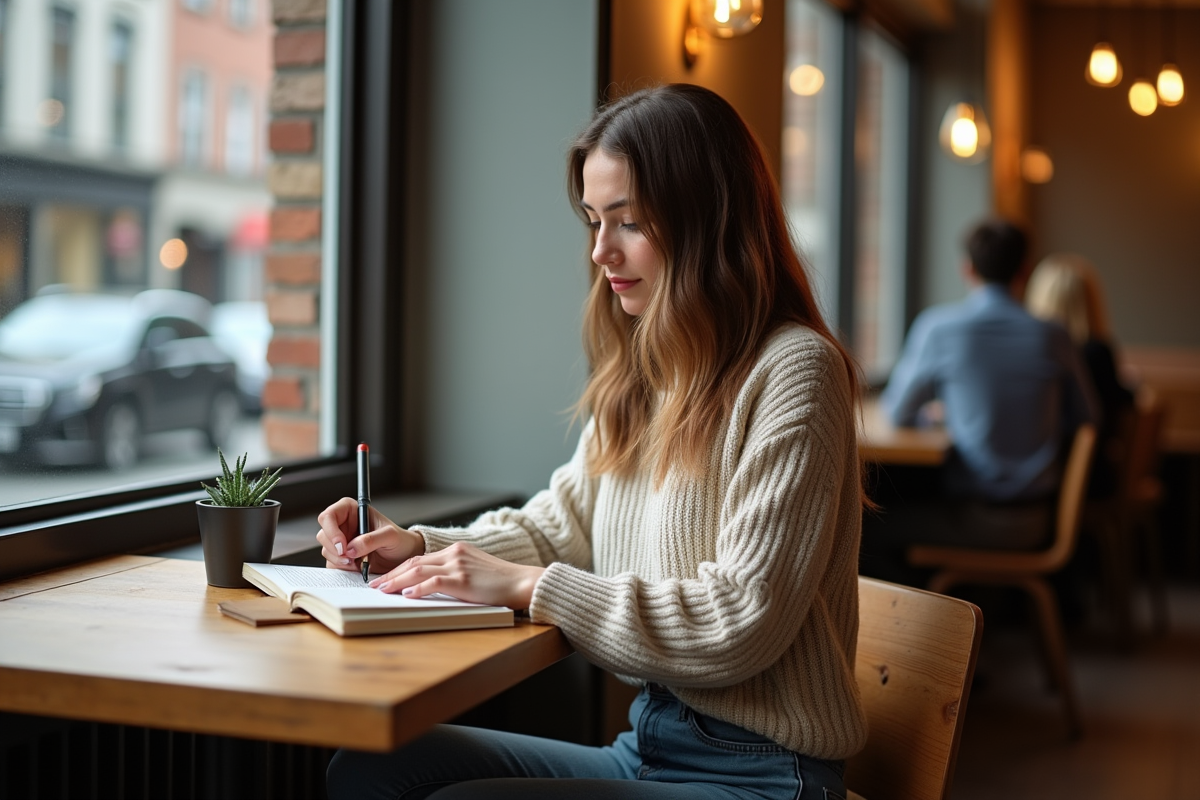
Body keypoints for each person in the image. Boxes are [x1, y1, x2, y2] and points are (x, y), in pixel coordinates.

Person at [317, 84, 868, 800]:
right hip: (651, 744)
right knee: (371, 765)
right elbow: (561, 529)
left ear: (707, 221)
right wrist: (418, 549)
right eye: (592, 221)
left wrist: (530, 589)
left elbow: (743, 620)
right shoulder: (649, 370)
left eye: (629, 222)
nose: (602, 251)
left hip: (763, 776)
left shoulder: (796, 370)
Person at [863, 219, 1100, 579]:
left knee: (868, 530)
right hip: (1038, 516)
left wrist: (941, 417)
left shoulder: (939, 329)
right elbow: (1088, 418)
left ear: (967, 268)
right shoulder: (1054, 335)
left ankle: (927, 630)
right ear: (1024, 271)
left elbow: (897, 412)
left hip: (979, 518)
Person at [1026, 253, 1134, 498]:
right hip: (1095, 473)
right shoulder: (1099, 352)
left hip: (1060, 475)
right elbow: (1120, 403)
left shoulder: (1043, 356)